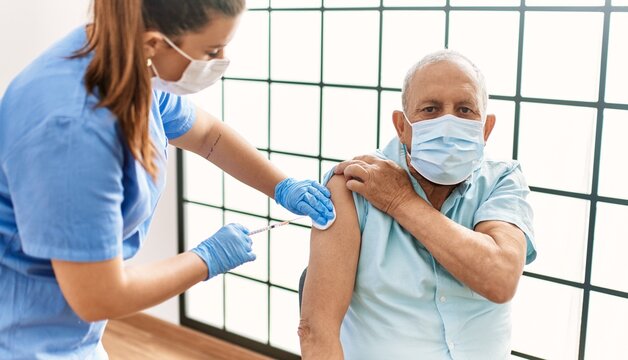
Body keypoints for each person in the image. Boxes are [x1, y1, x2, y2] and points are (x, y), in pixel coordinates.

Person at [0, 0, 335, 358]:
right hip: (21, 336)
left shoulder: (128, 61)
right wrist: (206, 258)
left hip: (68, 328)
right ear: (154, 43)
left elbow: (209, 137)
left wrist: (281, 186)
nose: (221, 59)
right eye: (211, 50)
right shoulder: (72, 130)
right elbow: (98, 296)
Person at [298, 50, 536, 359]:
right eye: (430, 109)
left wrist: (401, 201)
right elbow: (318, 331)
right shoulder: (353, 186)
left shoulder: (502, 179)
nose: (448, 123)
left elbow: (500, 279)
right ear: (401, 125)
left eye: (464, 110)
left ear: (485, 128)